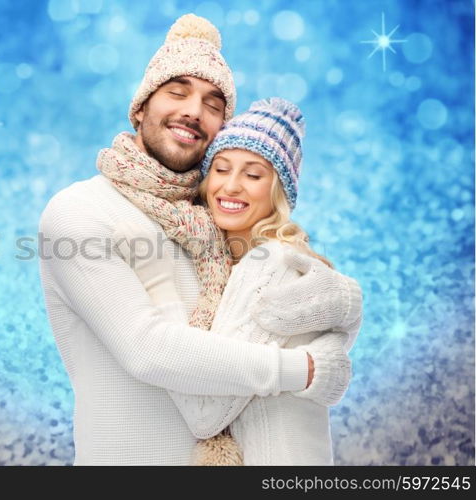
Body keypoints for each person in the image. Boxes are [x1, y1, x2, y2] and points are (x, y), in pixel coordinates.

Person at [37, 13, 360, 465]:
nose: (193, 110)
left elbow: (270, 308)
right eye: (177, 91)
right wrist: (307, 369)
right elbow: (148, 349)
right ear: (142, 106)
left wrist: (340, 310)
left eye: (213, 103)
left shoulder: (217, 220)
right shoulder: (80, 212)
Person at [109, 97, 362, 465]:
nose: (231, 186)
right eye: (221, 169)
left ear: (278, 192)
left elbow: (204, 412)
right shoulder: (236, 260)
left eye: (253, 174)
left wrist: (157, 279)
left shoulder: (269, 263)